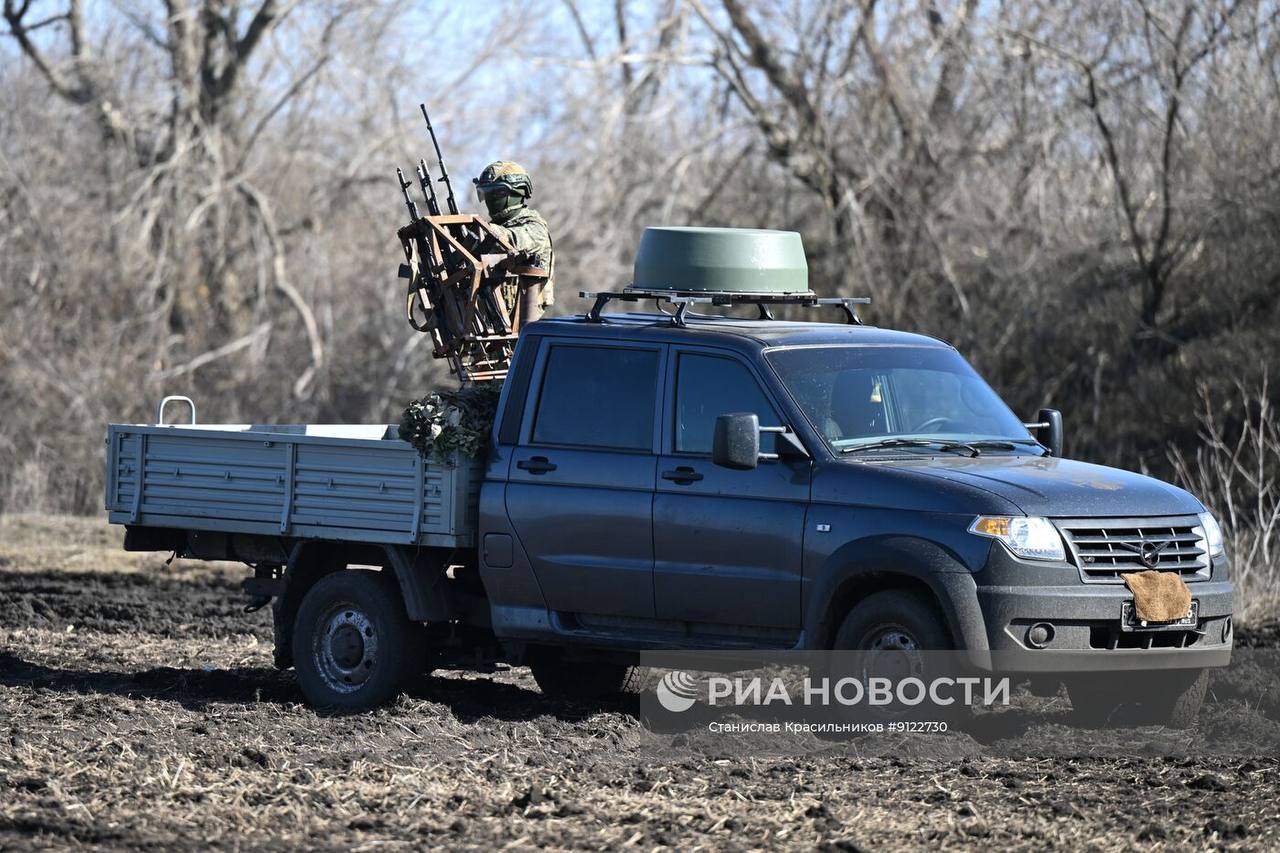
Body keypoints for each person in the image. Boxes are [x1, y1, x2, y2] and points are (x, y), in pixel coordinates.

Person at [472, 161, 554, 330]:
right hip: (489, 325)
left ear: (517, 192)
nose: (489, 200)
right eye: (485, 194)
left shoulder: (535, 228)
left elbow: (512, 240)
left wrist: (483, 231)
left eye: (495, 194)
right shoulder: (489, 231)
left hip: (522, 329)